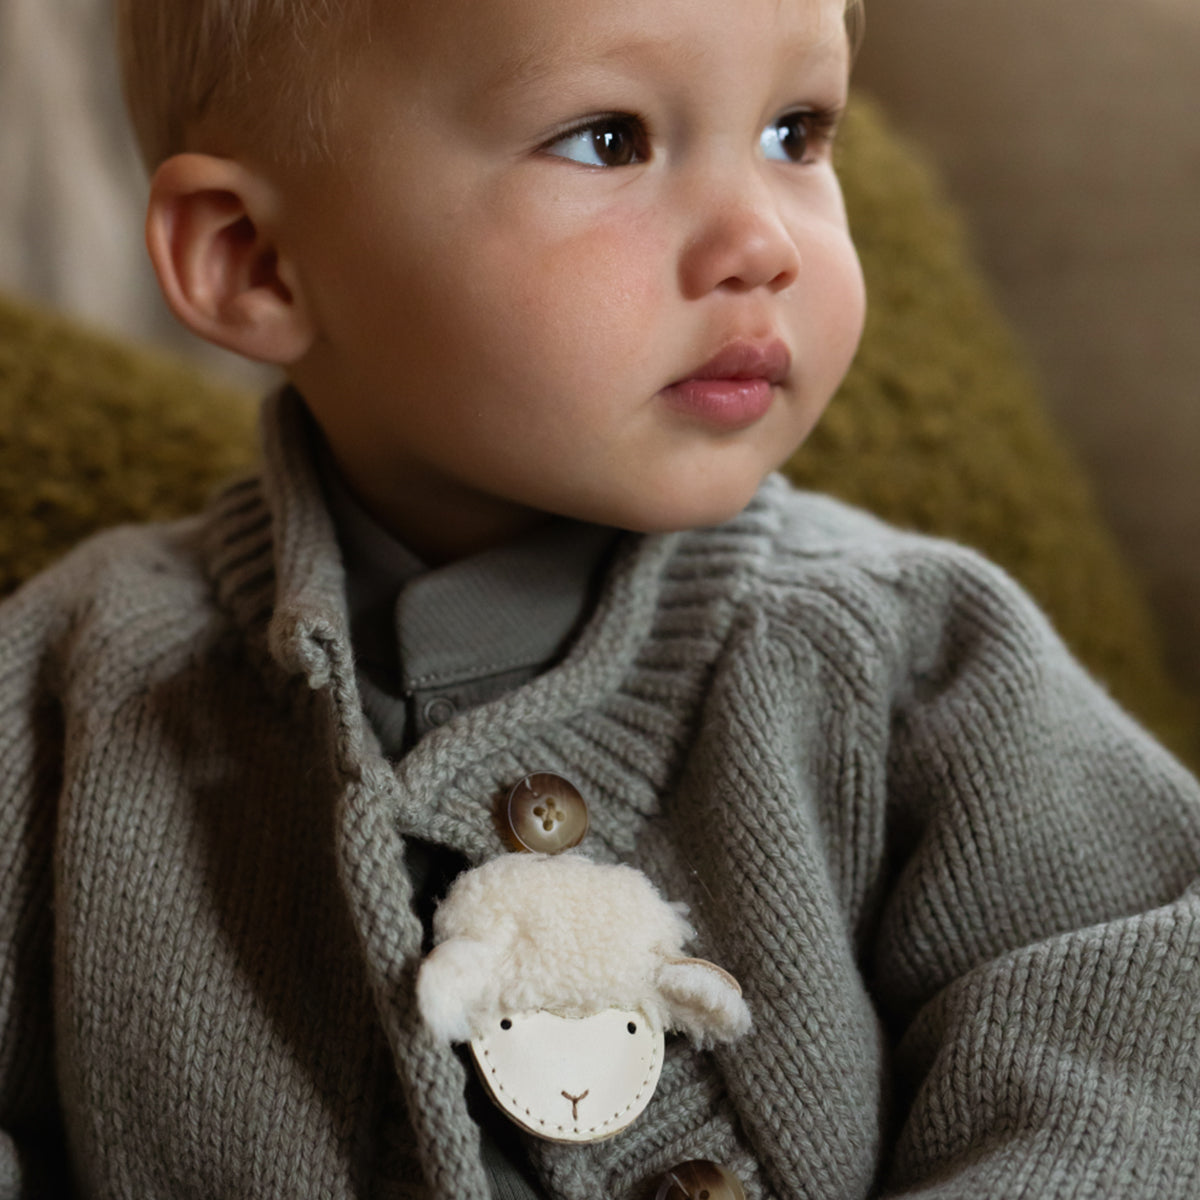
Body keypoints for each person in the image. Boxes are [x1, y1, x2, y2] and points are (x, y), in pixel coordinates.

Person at [1, 0, 1197, 1195]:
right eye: (609, 140)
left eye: (793, 132)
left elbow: (1142, 1046)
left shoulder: (915, 651)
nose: (762, 242)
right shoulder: (77, 687)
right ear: (253, 259)